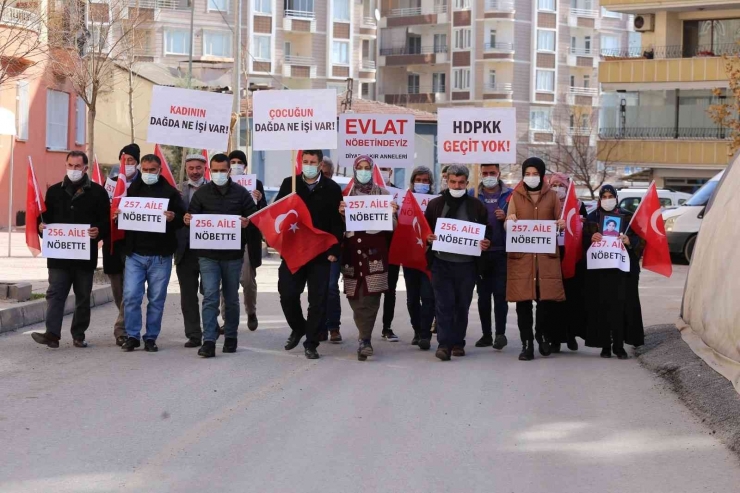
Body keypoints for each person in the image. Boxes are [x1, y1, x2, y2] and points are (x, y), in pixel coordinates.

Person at [31, 151, 110, 349]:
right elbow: (44, 219)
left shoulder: (98, 192)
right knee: (55, 293)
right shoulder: (55, 191)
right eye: (70, 165)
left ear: (85, 168)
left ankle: (79, 335)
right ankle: (52, 334)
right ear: (66, 165)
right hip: (59, 256)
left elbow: (106, 223)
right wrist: (40, 228)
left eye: (77, 166)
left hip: (84, 256)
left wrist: (98, 231)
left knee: (83, 296)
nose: (73, 170)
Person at [185, 153, 258, 358]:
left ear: (229, 171)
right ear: (210, 170)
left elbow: (253, 216)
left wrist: (247, 221)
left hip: (233, 256)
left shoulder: (241, 193)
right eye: (215, 170)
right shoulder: (202, 194)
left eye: (222, 170)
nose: (218, 173)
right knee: (210, 296)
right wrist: (188, 219)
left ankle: (231, 336)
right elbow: (192, 216)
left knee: (231, 298)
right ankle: (208, 340)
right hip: (207, 256)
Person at [274, 149, 344, 360]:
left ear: (321, 164)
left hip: (320, 253)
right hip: (294, 251)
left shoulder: (331, 188)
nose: (309, 165)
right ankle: (298, 327)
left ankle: (311, 342)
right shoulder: (290, 184)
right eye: (305, 161)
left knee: (318, 299)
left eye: (313, 162)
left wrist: (334, 249)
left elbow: (337, 222)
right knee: (287, 293)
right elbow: (277, 212)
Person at [114, 154, 185, 352]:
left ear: (159, 170)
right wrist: (118, 216)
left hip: (161, 256)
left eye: (152, 170)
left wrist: (173, 217)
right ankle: (132, 335)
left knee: (156, 299)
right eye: (144, 170)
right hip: (135, 254)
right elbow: (122, 218)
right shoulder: (131, 190)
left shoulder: (170, 193)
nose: (148, 173)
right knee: (131, 296)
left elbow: (182, 218)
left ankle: (151, 337)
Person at [425, 165, 491, 361]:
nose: (457, 185)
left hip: (467, 265)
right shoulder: (435, 204)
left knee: (462, 305)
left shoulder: (476, 206)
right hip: (441, 262)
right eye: (453, 182)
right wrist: (428, 237)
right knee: (444, 304)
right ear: (447, 181)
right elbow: (424, 229)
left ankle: (458, 342)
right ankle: (444, 345)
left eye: (461, 182)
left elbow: (486, 231)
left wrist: (486, 241)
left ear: (467, 183)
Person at [506, 157, 566, 361]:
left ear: (542, 175)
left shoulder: (552, 197)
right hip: (522, 259)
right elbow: (508, 222)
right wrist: (510, 221)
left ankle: (541, 335)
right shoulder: (515, 196)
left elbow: (560, 222)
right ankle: (527, 343)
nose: (531, 177)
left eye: (535, 173)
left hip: (544, 260)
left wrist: (561, 224)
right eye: (527, 173)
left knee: (545, 303)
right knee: (523, 303)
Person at [339, 156, 398, 360]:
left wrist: (392, 215)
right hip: (351, 255)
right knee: (355, 296)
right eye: (360, 168)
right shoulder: (345, 194)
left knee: (372, 296)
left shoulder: (383, 194)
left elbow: (394, 228)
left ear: (372, 170)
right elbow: (336, 227)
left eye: (367, 168)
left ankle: (365, 339)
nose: (364, 171)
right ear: (355, 170)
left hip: (375, 255)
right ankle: (363, 334)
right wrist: (340, 214)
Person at [583, 185, 644, 359]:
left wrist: (629, 240)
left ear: (616, 198)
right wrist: (591, 238)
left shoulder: (628, 217)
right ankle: (605, 345)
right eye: (605, 196)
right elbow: (582, 242)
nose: (607, 199)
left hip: (621, 271)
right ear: (600, 199)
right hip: (600, 271)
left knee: (620, 306)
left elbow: (640, 241)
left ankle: (618, 345)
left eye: (611, 196)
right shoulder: (592, 217)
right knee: (602, 306)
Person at [104, 143, 140, 346]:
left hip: (134, 244)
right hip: (112, 243)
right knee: (119, 290)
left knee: (130, 289)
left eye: (131, 161)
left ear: (137, 163)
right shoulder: (110, 184)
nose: (127, 164)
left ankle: (121, 329)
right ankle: (127, 319)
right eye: (124, 160)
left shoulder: (142, 185)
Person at [547, 172, 588, 353]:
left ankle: (571, 336)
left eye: (561, 185)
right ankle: (554, 338)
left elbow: (586, 230)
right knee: (553, 299)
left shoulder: (578, 205)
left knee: (572, 298)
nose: (557, 189)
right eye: (554, 185)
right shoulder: (546, 205)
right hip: (551, 255)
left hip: (572, 256)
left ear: (567, 187)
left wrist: (582, 224)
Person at [474, 163, 512, 350]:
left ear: (499, 174)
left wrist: (507, 219)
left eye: (492, 173)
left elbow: (520, 220)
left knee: (500, 295)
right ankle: (486, 335)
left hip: (502, 252)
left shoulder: (511, 195)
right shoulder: (472, 194)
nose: (488, 176)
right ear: (480, 174)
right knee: (483, 296)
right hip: (480, 254)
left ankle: (500, 334)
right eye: (485, 173)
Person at [227, 150, 267, 331]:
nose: (235, 165)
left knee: (248, 280)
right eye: (232, 161)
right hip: (226, 237)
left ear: (245, 166)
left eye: (239, 162)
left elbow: (264, 213)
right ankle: (226, 318)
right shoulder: (222, 183)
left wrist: (258, 201)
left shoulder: (256, 184)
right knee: (225, 281)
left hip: (247, 239)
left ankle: (251, 311)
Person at [175, 153, 208, 348]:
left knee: (210, 292)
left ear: (205, 169)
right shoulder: (178, 190)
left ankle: (210, 328)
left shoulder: (213, 189)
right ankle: (194, 334)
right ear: (186, 169)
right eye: (191, 168)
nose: (194, 172)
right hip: (184, 250)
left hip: (208, 249)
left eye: (198, 168)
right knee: (188, 295)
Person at [402, 166, 436, 350]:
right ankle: (417, 330)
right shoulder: (404, 200)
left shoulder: (435, 201)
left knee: (428, 296)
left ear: (431, 183)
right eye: (419, 180)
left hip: (429, 256)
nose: (422, 183)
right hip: (410, 256)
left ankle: (425, 334)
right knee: (412, 298)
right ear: (412, 181)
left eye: (425, 180)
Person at [318, 156, 343, 343]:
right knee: (317, 287)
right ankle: (319, 326)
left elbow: (339, 224)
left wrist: (335, 249)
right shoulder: (307, 190)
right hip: (313, 246)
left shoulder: (335, 191)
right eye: (321, 173)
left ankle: (333, 326)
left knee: (331, 286)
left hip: (332, 247)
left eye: (326, 174)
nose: (323, 176)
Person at [378, 166, 400, 342]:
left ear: (391, 172)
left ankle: (387, 327)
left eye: (385, 169)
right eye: (380, 169)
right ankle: (366, 328)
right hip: (371, 250)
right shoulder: (360, 193)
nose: (382, 172)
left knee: (390, 290)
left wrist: (396, 213)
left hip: (392, 249)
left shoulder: (398, 194)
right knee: (371, 290)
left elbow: (401, 225)